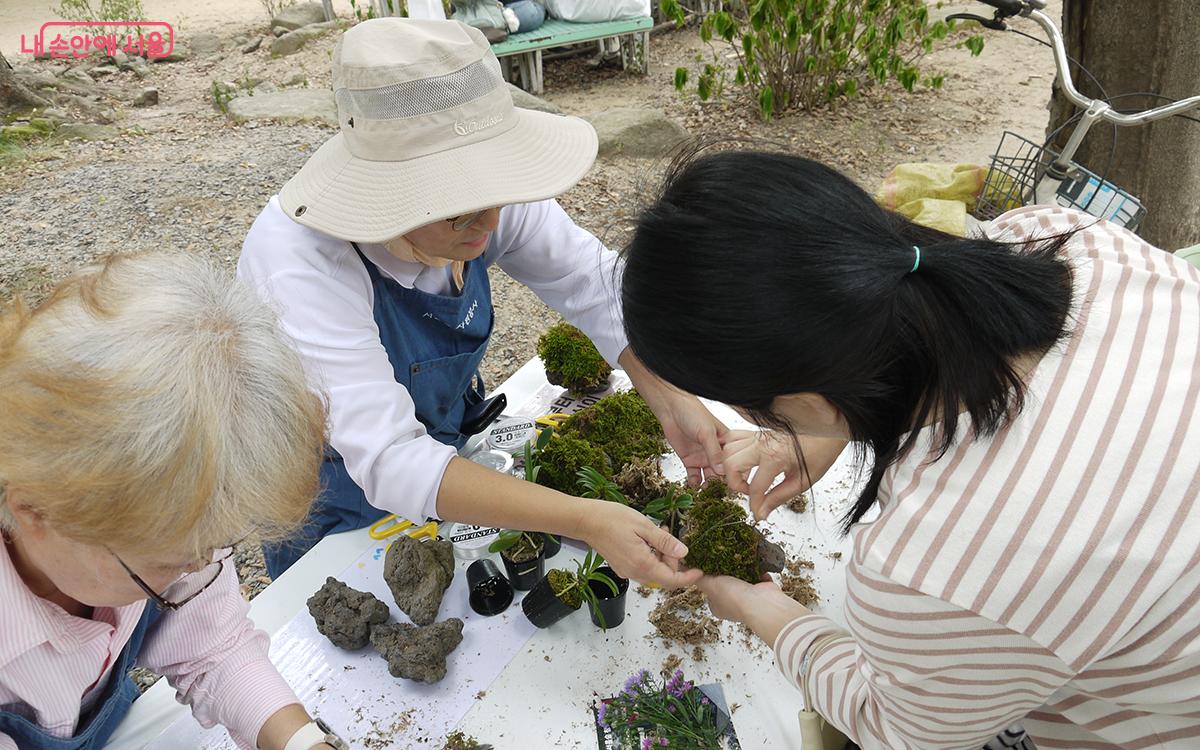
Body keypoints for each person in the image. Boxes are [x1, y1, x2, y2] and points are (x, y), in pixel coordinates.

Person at [619, 149, 1200, 749]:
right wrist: (828, 432)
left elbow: (899, 729)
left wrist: (763, 612)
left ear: (805, 398)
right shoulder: (1062, 240)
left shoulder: (939, 565)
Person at [238, 18, 721, 585]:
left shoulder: (488, 201)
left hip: (444, 453)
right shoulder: (300, 261)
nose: (491, 221)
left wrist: (669, 398)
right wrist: (585, 518)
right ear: (386, 192)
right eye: (457, 207)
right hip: (331, 488)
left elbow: (593, 283)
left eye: (497, 194)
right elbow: (389, 457)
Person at [0, 253, 347, 750]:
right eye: (166, 565)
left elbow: (215, 648)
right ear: (35, 511)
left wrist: (300, 742)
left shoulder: (162, 520)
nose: (194, 570)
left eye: (213, 546)